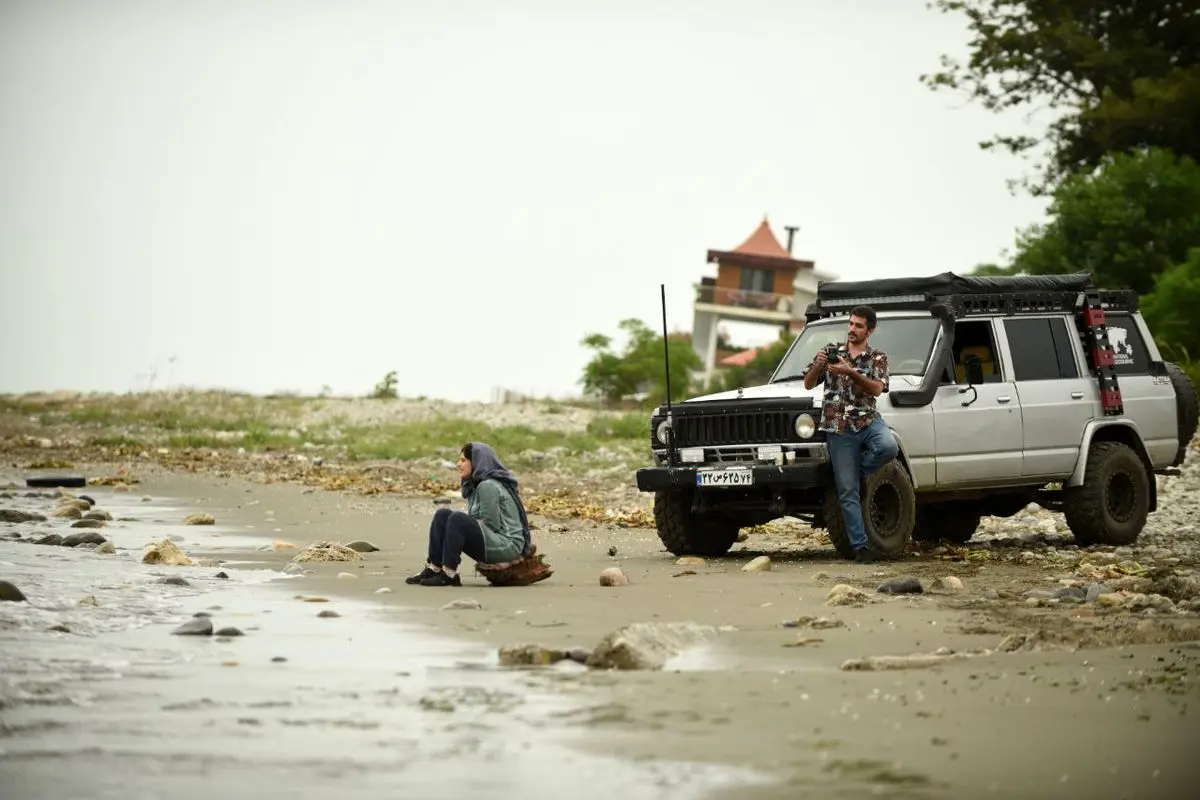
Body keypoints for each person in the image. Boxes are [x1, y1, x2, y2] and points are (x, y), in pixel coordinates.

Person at [803, 305, 899, 563]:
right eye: (851, 324)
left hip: (867, 420)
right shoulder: (832, 353)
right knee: (847, 493)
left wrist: (850, 372)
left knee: (889, 447)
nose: (852, 329)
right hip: (838, 426)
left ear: (870, 330)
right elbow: (809, 383)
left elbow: (878, 389)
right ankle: (861, 547)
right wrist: (820, 365)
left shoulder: (878, 357)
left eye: (858, 326)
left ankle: (859, 473)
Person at [406, 441, 535, 587]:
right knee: (443, 515)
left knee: (457, 519)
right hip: (494, 540)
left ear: (477, 462)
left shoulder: (488, 486)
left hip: (507, 546)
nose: (458, 464)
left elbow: (491, 524)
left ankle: (449, 574)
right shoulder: (476, 484)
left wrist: (461, 527)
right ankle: (435, 568)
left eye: (463, 460)